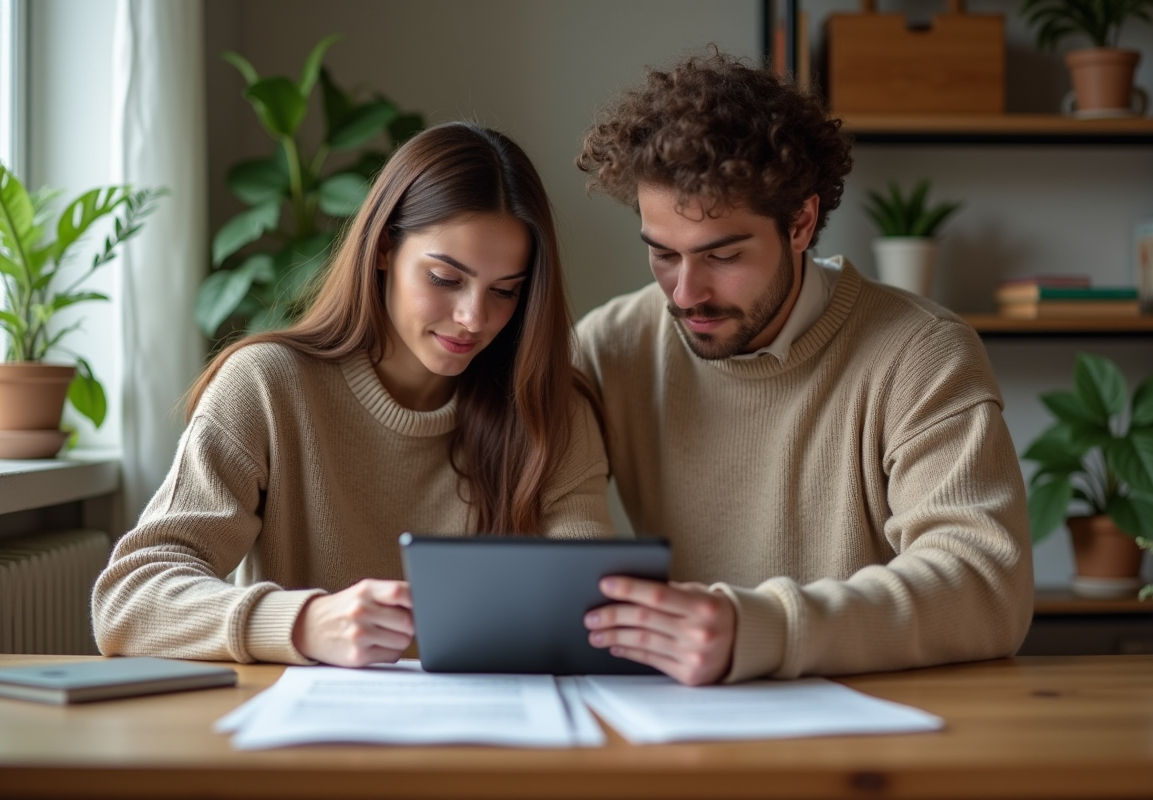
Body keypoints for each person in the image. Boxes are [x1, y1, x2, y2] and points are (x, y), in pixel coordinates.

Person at [573, 52, 1033, 686]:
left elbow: (986, 586)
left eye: (722, 255)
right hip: (683, 727)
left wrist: (763, 628)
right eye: (662, 255)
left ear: (801, 223)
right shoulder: (609, 347)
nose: (684, 293)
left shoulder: (920, 353)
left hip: (878, 737)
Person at [93, 122, 611, 667]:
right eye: (443, 278)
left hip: (490, 738)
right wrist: (303, 623)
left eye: (505, 292)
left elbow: (595, 603)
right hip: (311, 738)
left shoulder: (549, 411)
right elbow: (127, 599)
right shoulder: (266, 386)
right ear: (384, 247)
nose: (473, 318)